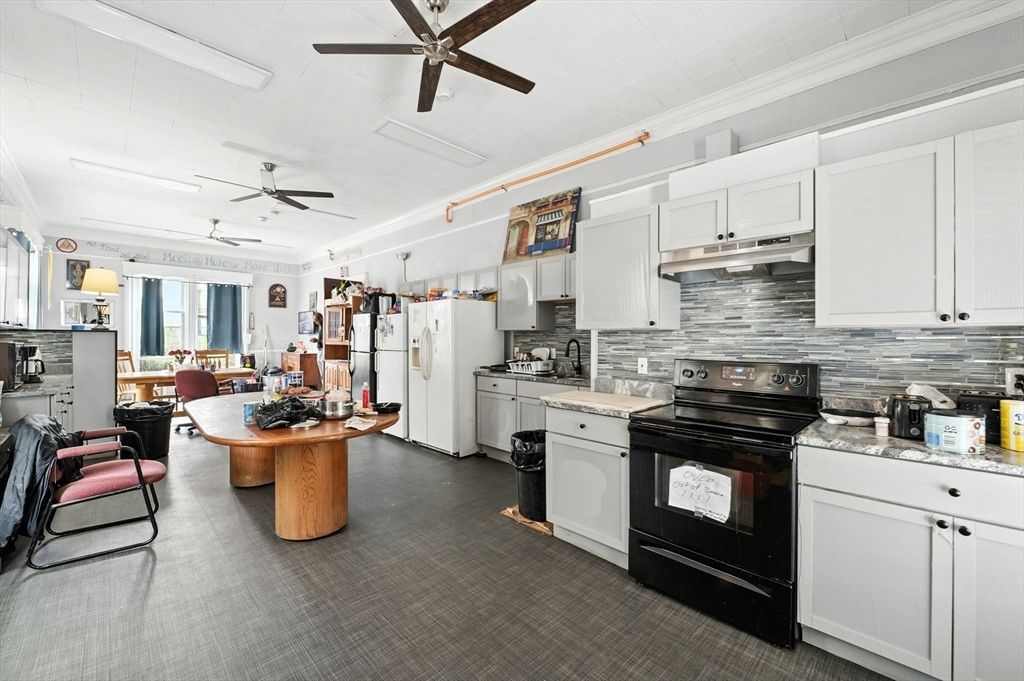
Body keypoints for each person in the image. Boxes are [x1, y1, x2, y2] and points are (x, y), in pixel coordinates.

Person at [311, 312, 324, 389]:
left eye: (316, 321)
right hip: (319, 350)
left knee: (323, 370)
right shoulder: (320, 327)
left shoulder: (325, 327)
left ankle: (324, 387)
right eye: (314, 321)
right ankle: (323, 386)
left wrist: (317, 340)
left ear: (321, 318)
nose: (315, 323)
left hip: (323, 350)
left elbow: (327, 340)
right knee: (321, 370)